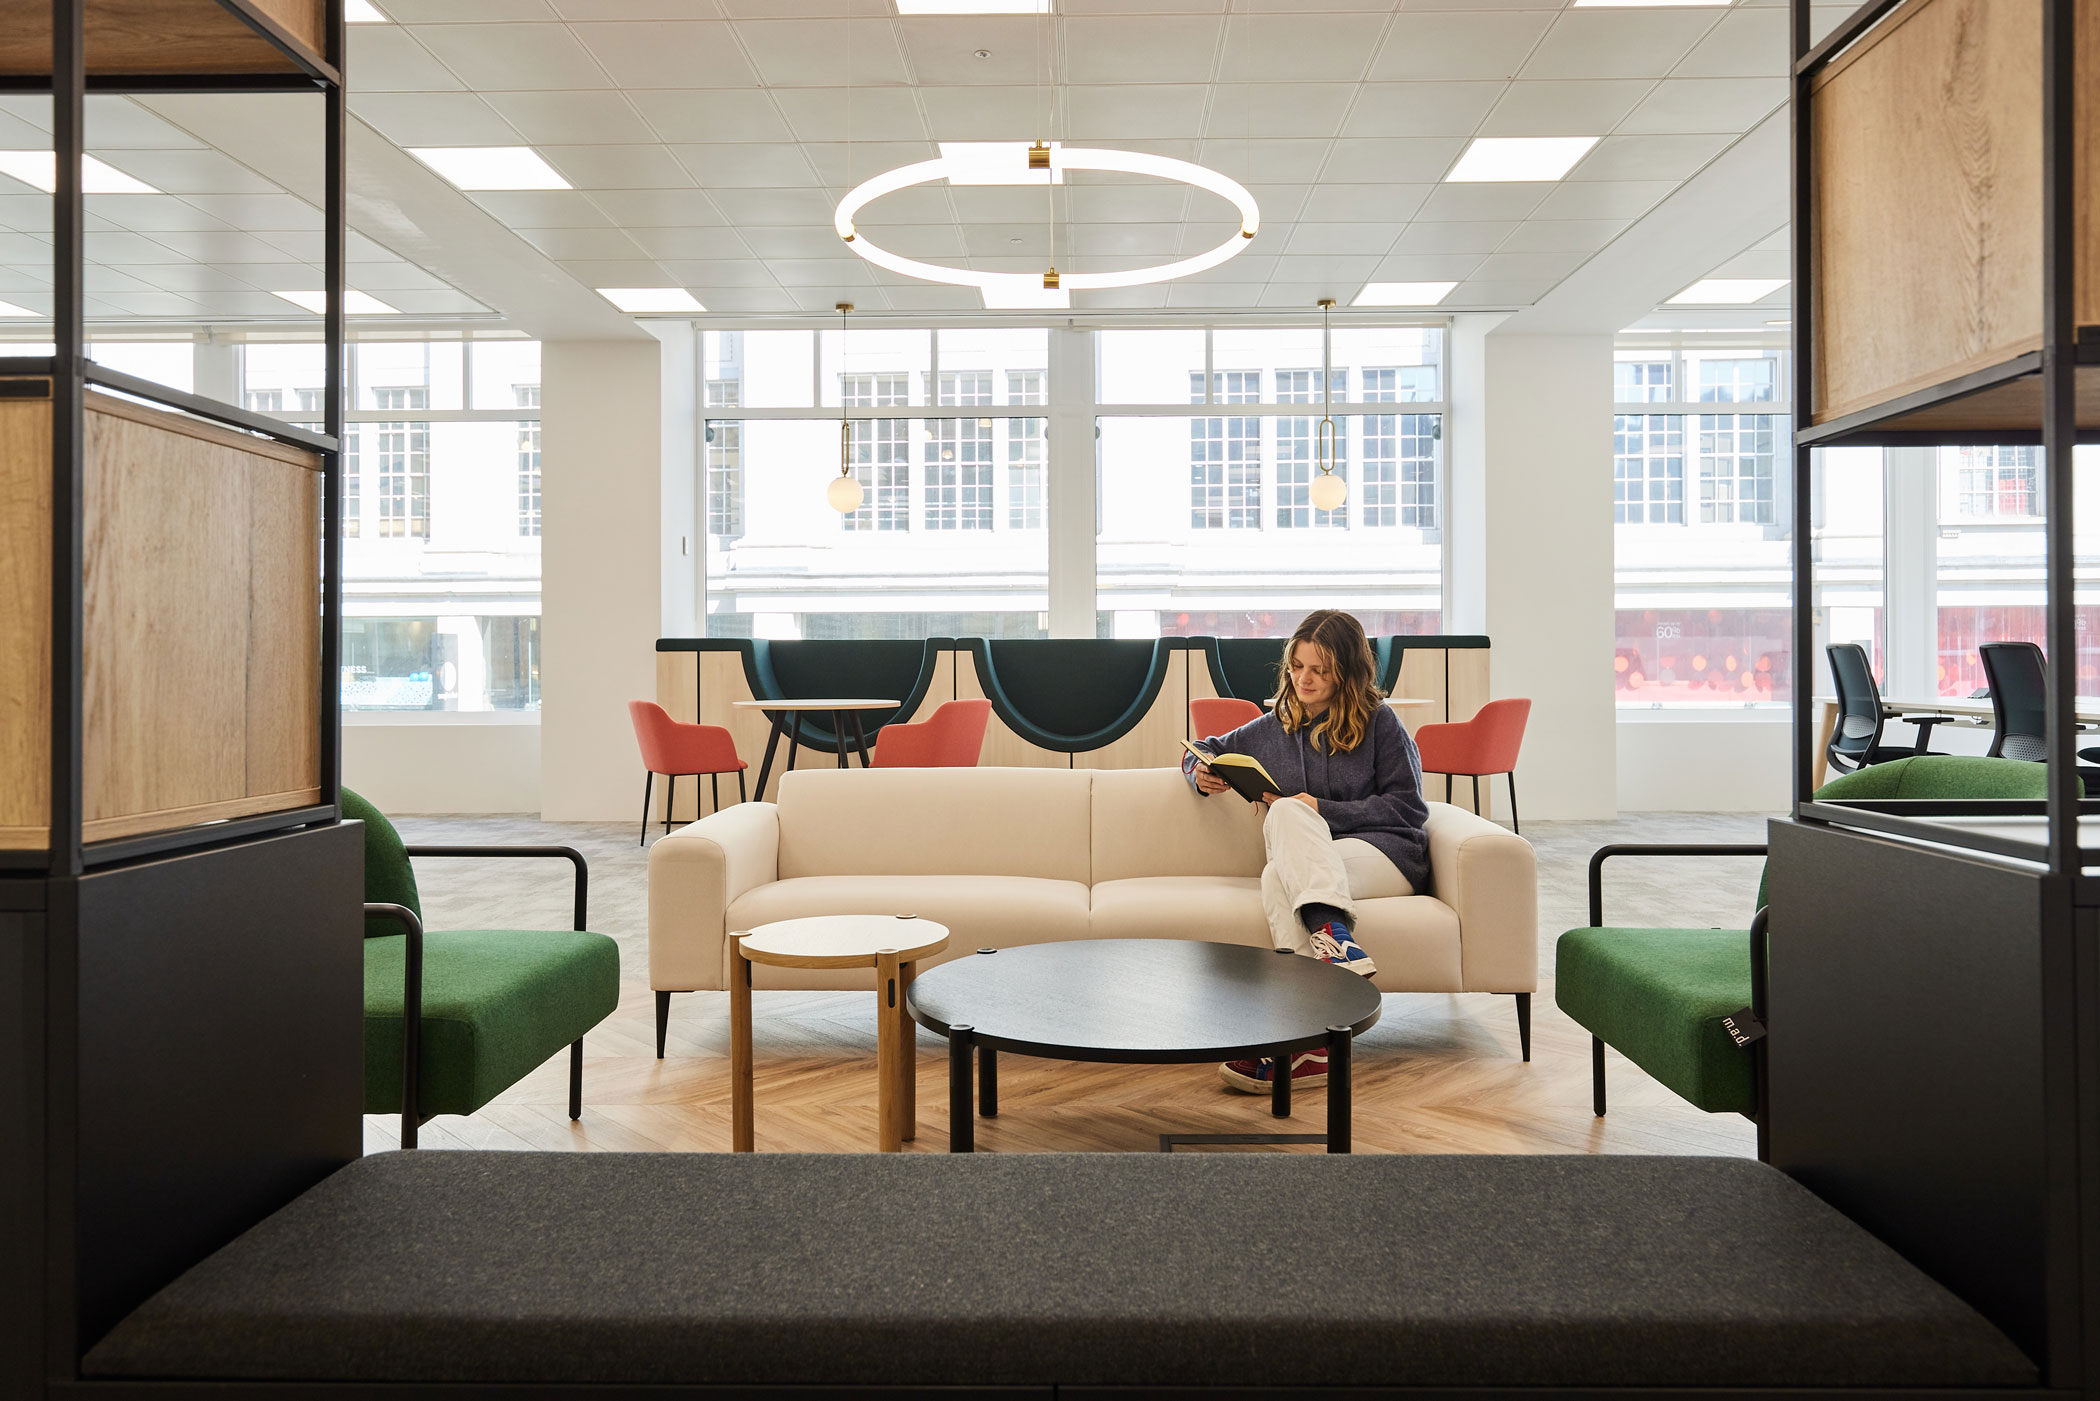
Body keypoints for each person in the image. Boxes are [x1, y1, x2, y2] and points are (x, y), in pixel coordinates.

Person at [1183, 609, 1430, 1094]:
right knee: (1277, 875)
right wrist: (1200, 772)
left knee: (1290, 814)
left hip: (1386, 855)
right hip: (1319, 869)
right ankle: (1310, 1037)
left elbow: (1409, 808)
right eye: (1297, 667)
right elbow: (1201, 747)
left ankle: (1325, 954)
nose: (1304, 679)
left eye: (1319, 669)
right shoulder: (1275, 726)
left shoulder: (1380, 724)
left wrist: (1322, 809)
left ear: (1347, 670)